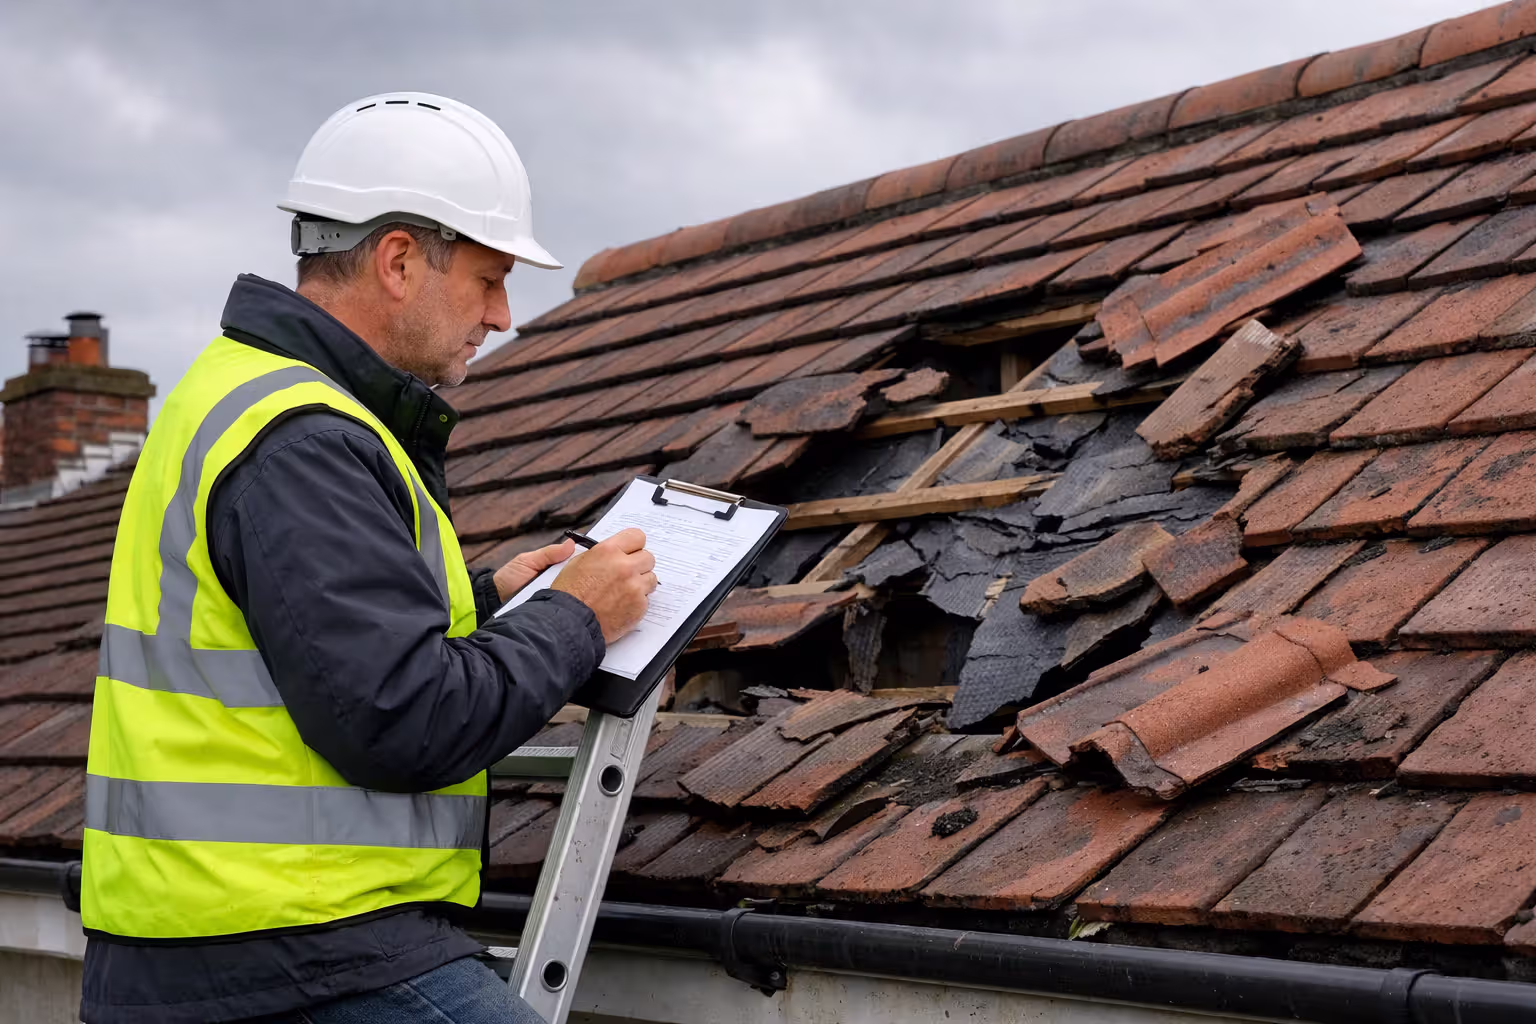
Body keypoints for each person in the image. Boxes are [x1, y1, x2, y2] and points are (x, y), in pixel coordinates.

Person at [79, 93, 654, 1024]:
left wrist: (484, 597)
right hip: (289, 952)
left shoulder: (244, 395)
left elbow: (299, 640)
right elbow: (402, 717)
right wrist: (576, 616)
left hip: (213, 943)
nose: (504, 316)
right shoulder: (305, 436)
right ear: (397, 261)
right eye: (489, 279)